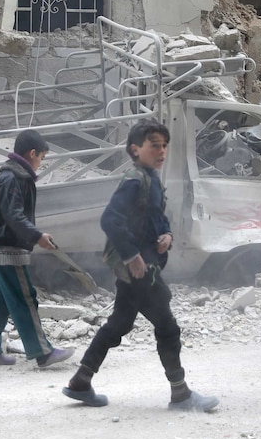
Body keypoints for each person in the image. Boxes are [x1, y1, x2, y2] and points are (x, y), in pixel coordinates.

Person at [62, 119, 219, 411]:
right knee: (167, 327)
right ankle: (180, 393)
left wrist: (167, 235)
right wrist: (132, 256)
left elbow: (156, 217)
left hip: (142, 266)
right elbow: (110, 219)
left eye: (164, 146)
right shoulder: (135, 180)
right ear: (135, 149)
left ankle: (81, 381)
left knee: (120, 323)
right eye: (154, 145)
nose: (162, 151)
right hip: (140, 269)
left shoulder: (150, 178)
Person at [0, 129, 74, 368]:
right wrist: (37, 235)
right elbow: (14, 215)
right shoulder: (14, 178)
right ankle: (42, 351)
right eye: (41, 157)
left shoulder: (10, 176)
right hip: (8, 249)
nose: (40, 163)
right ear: (32, 154)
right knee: (24, 298)